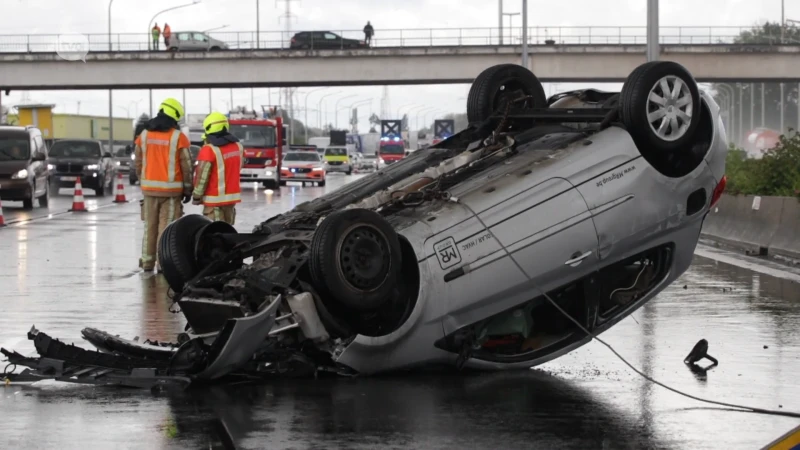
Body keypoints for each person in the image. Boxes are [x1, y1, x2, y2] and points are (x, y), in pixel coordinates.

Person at [134, 98, 193, 272]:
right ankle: (162, 264)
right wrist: (188, 189)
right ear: (174, 116)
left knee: (149, 227)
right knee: (166, 229)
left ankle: (147, 262)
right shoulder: (178, 137)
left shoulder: (143, 135)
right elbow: (187, 167)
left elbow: (138, 162)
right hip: (171, 192)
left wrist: (143, 180)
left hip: (149, 191)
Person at [192, 112, 244, 225]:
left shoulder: (208, 150)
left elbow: (202, 176)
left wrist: (196, 196)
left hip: (213, 200)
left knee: (214, 234)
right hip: (231, 199)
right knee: (228, 232)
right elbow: (237, 168)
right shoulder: (238, 147)